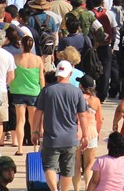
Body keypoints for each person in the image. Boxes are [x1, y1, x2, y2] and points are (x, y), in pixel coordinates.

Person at [36, 60, 95, 191]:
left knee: (49, 166)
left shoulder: (47, 91)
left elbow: (38, 113)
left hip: (51, 138)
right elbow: (83, 115)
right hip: (70, 138)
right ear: (70, 73)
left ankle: (54, 190)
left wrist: (35, 131)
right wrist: (85, 135)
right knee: (67, 169)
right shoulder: (77, 92)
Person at [11, 35, 44, 155]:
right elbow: (41, 77)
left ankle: (20, 148)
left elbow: (12, 75)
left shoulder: (16, 58)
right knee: (33, 121)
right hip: (34, 92)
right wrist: (43, 91)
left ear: (22, 45)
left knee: (20, 121)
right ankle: (35, 147)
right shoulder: (38, 59)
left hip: (18, 91)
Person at [75, 75, 103, 190]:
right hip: (91, 132)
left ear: (81, 86)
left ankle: (76, 188)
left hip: (76, 132)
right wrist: (98, 132)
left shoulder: (76, 97)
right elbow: (100, 120)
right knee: (89, 164)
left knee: (76, 165)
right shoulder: (95, 100)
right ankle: (87, 187)